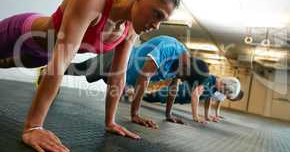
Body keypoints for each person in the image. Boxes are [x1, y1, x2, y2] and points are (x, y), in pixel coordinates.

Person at [0, 0, 181, 152]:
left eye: (162, 21)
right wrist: (33, 127)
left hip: (40, 55)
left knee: (4, 63)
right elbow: (61, 61)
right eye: (157, 14)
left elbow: (118, 76)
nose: (156, 25)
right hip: (18, 33)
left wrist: (110, 122)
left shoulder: (129, 30)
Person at [40, 35, 209, 128]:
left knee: (79, 70)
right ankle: (47, 69)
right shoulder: (170, 48)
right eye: (182, 75)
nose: (178, 78)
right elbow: (144, 78)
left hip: (123, 78)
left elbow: (174, 87)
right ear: (186, 66)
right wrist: (135, 115)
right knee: (78, 69)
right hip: (119, 59)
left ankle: (51, 70)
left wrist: (168, 115)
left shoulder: (182, 67)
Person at [143, 75, 244, 124]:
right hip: (178, 92)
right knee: (151, 97)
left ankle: (133, 92)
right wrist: (195, 117)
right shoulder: (209, 80)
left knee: (153, 97)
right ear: (223, 84)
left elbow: (208, 99)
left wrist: (207, 115)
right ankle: (131, 91)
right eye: (223, 91)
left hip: (181, 98)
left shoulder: (214, 88)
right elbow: (195, 94)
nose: (222, 94)